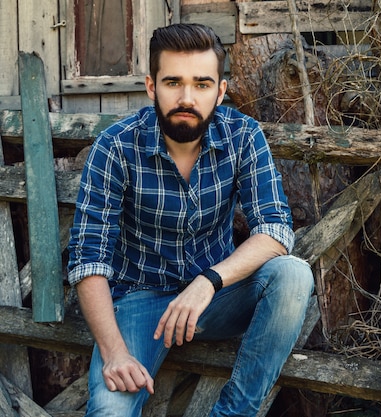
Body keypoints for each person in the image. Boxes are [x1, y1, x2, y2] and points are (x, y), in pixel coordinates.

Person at [67, 23, 315, 417]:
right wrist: (114, 353)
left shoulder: (243, 136)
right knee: (108, 413)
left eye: (201, 84)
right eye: (173, 83)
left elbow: (275, 229)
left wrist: (208, 281)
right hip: (138, 301)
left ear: (220, 90)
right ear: (151, 87)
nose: (186, 97)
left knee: (293, 275)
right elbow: (88, 259)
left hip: (215, 300)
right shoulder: (115, 147)